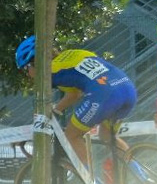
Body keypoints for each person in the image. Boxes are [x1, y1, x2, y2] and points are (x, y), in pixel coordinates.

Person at [15, 36, 137, 167]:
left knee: (72, 136)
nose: (27, 74)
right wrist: (56, 110)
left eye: (25, 69)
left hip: (104, 95)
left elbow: (49, 100)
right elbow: (74, 94)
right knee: (107, 136)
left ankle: (91, 179)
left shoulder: (49, 71)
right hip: (127, 89)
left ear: (34, 63)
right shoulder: (72, 54)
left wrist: (45, 113)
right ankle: (142, 175)